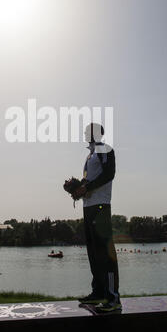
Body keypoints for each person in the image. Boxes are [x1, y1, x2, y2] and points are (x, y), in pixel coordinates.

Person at [72, 122, 121, 313]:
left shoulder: (105, 149)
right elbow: (89, 179)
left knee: (105, 254)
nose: (84, 134)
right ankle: (99, 292)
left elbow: (110, 174)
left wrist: (87, 187)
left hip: (101, 206)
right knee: (93, 253)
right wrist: (77, 189)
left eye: (87, 131)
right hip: (88, 206)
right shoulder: (90, 154)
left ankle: (113, 298)